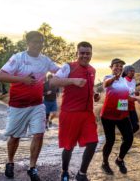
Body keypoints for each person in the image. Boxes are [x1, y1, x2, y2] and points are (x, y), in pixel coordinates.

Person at [0, 31, 59, 181]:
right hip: (18, 105)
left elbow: (60, 70)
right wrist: (22, 79)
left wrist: (73, 72)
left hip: (37, 104)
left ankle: (32, 168)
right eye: (35, 41)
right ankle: (10, 162)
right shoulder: (18, 58)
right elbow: (0, 76)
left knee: (39, 134)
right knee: (15, 137)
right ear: (28, 42)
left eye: (41, 42)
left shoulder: (45, 60)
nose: (39, 45)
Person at [50, 41, 100, 181]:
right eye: (82, 53)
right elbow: (53, 82)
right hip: (70, 114)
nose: (85, 56)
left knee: (93, 142)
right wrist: (72, 81)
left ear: (91, 54)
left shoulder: (92, 70)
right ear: (77, 53)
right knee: (69, 146)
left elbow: (89, 87)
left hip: (87, 113)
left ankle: (81, 174)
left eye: (88, 53)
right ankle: (64, 171)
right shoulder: (68, 67)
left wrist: (95, 93)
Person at [100, 58, 140, 175]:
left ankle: (119, 160)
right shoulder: (107, 77)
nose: (119, 68)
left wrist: (136, 99)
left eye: (121, 66)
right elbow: (105, 85)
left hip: (122, 113)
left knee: (129, 138)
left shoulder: (124, 81)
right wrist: (114, 78)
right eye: (116, 66)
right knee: (110, 141)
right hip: (108, 115)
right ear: (111, 67)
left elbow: (125, 96)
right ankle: (104, 163)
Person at [122, 65, 140, 133]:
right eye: (131, 71)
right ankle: (126, 138)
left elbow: (132, 92)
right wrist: (134, 92)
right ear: (126, 72)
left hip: (131, 103)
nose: (133, 72)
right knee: (125, 124)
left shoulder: (133, 80)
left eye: (133, 71)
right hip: (122, 102)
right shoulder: (122, 80)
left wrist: (136, 95)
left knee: (136, 126)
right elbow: (123, 91)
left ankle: (126, 138)